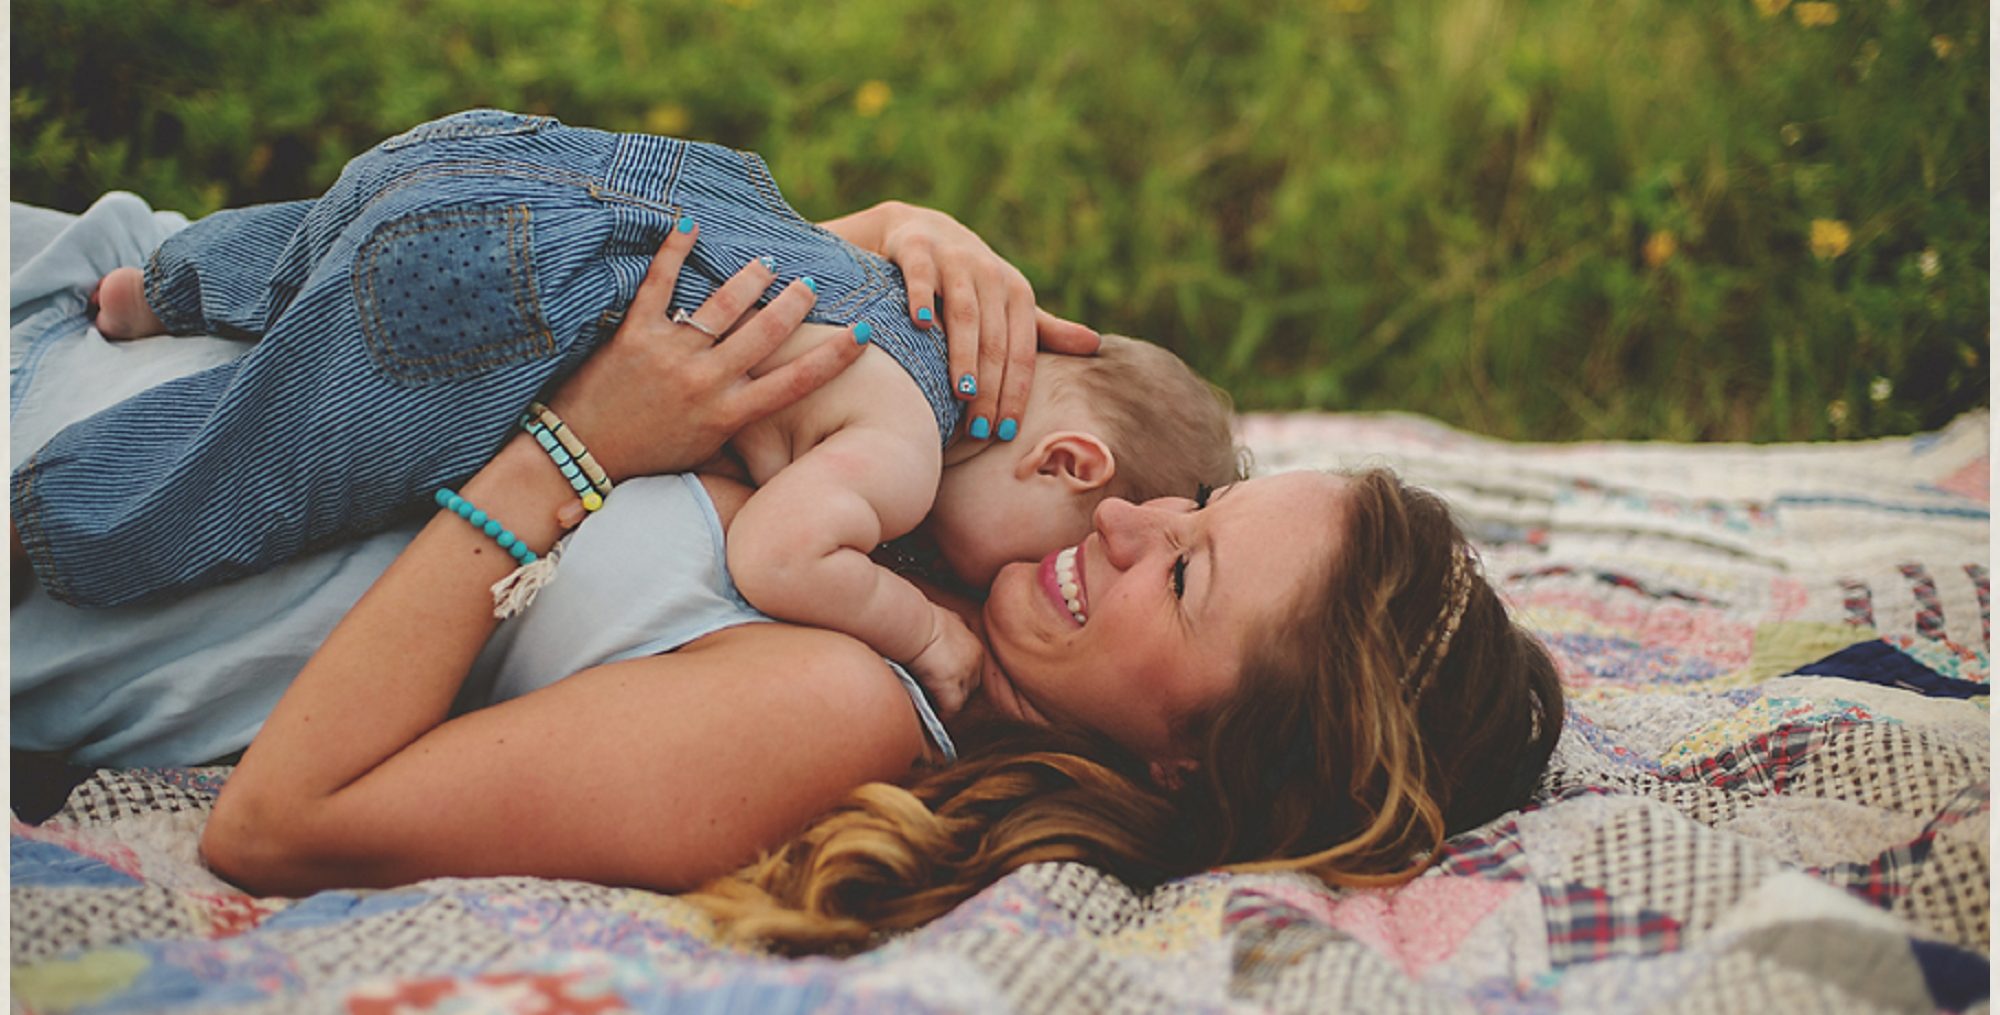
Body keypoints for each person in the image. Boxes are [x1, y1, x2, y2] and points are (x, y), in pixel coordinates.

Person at [189, 226, 1568, 954]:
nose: (1127, 516)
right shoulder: (935, 549)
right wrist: (852, 241)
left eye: (1186, 569)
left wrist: (575, 445)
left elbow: (284, 823)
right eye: (1198, 504)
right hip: (186, 316)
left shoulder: (839, 703)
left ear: (1193, 753)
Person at [16, 109, 1237, 714]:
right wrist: (919, 630)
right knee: (272, 455)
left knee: (307, 252)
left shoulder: (897, 284)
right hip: (499, 288)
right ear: (1067, 461)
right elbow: (780, 553)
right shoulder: (903, 446)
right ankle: (61, 524)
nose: (999, 576)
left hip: (517, 162)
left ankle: (158, 290)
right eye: (1048, 545)